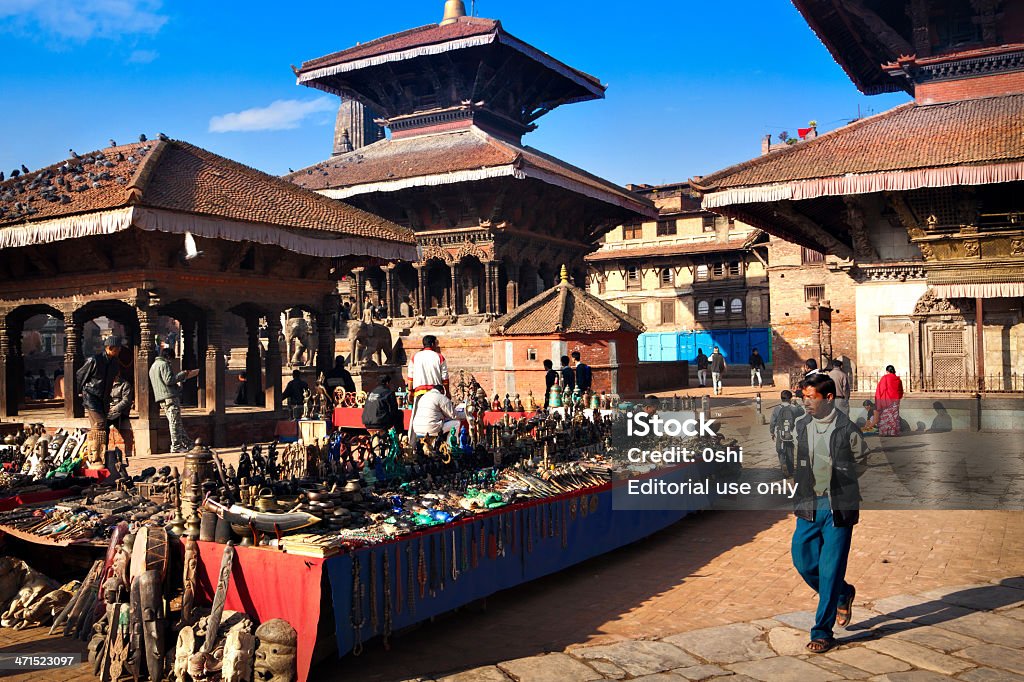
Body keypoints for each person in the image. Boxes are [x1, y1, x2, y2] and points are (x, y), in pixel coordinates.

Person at [791, 372, 862, 654]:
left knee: (830, 569)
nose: (805, 402)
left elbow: (863, 459)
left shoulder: (847, 428)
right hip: (809, 505)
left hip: (837, 507)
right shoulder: (802, 425)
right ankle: (843, 593)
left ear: (828, 398)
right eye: (803, 397)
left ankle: (823, 631)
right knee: (804, 561)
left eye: (811, 397)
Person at [77, 336, 124, 464]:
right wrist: (79, 392)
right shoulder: (94, 360)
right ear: (110, 348)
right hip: (91, 395)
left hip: (104, 398)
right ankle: (95, 457)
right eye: (118, 348)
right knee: (99, 424)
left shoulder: (114, 362)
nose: (119, 350)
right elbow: (80, 376)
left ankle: (102, 453)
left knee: (104, 426)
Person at [149, 346, 199, 453]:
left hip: (161, 398)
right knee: (174, 423)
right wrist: (183, 374)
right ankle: (176, 446)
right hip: (170, 397)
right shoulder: (164, 364)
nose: (171, 361)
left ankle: (188, 443)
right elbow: (169, 380)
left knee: (176, 422)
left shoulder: (153, 366)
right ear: (168, 357)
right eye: (171, 358)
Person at [770, 390, 802, 476]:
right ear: (790, 398)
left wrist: (772, 432)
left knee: (780, 450)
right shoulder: (794, 408)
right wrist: (796, 404)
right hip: (791, 433)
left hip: (780, 433)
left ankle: (783, 464)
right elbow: (802, 412)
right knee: (790, 451)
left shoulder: (777, 409)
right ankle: (790, 470)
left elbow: (773, 422)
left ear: (781, 398)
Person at [107, 373, 134, 459]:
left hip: (121, 410)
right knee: (103, 425)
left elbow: (126, 400)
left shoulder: (125, 385)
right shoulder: (107, 384)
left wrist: (115, 408)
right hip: (109, 410)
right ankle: (106, 450)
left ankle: (126, 452)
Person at [874, 365, 904, 437]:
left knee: (885, 416)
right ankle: (894, 432)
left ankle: (885, 432)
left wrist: (878, 400)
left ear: (887, 371)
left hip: (886, 400)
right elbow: (901, 391)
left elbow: (880, 390)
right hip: (896, 400)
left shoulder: (885, 378)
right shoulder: (898, 379)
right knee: (894, 417)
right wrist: (898, 397)